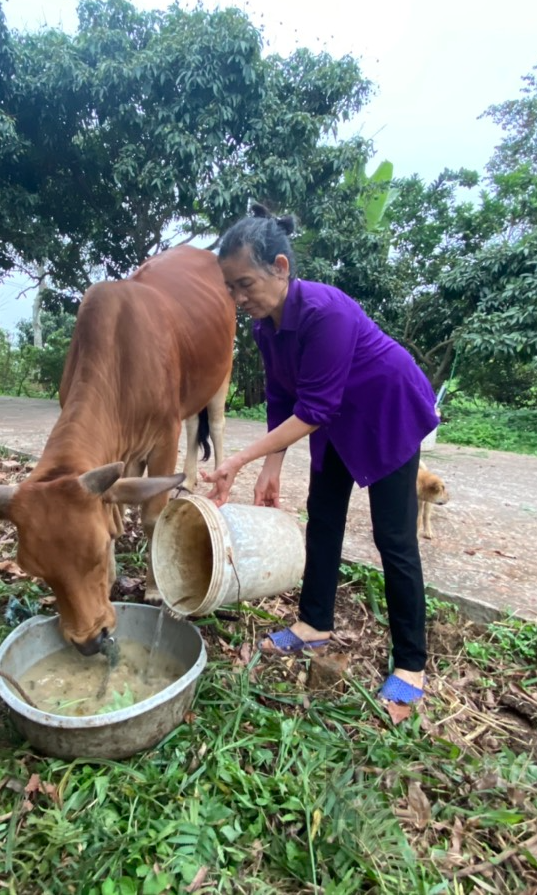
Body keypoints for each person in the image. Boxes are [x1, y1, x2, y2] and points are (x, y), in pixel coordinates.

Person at [200, 204, 439, 718]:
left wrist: (239, 458)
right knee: (323, 520)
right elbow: (283, 399)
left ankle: (411, 666)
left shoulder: (325, 311)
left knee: (392, 538)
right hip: (335, 421)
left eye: (246, 284)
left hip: (386, 411)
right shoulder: (267, 327)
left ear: (280, 268)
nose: (239, 299)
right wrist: (271, 464)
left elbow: (314, 408)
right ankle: (313, 625)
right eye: (231, 289)